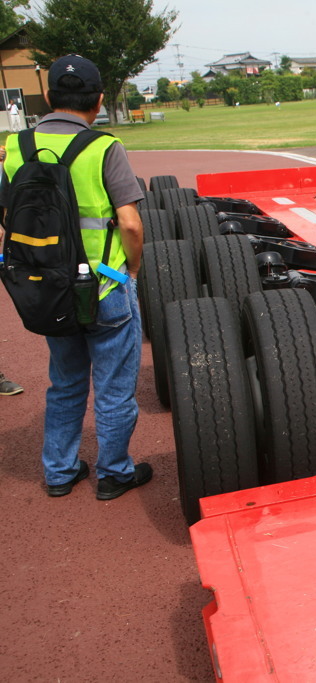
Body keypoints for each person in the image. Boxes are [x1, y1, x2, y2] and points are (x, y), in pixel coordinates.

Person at [0, 54, 150, 499]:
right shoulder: (104, 148)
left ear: (47, 96)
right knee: (114, 388)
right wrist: (131, 270)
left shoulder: (16, 148)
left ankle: (60, 472)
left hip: (49, 288)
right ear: (99, 100)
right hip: (104, 285)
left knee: (64, 383)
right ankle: (114, 473)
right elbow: (130, 223)